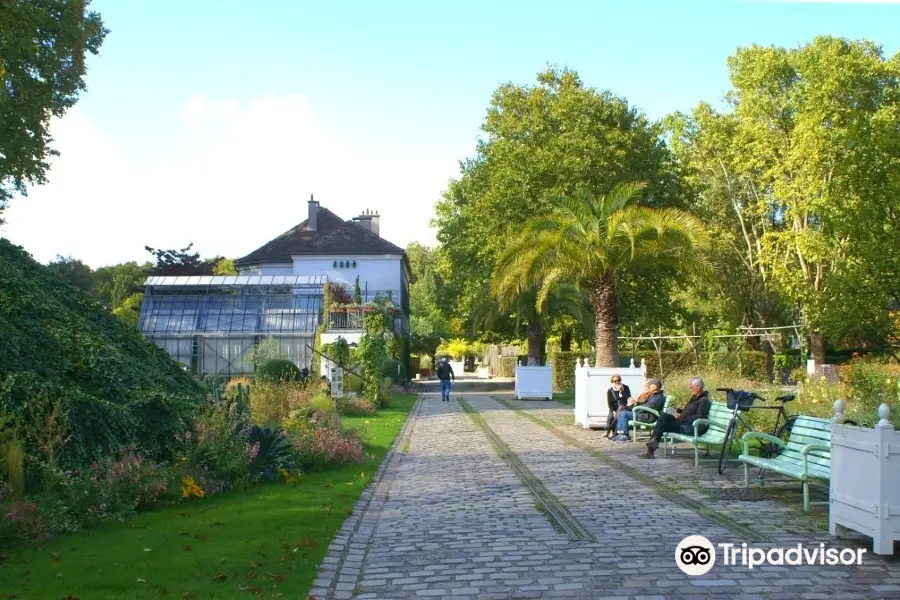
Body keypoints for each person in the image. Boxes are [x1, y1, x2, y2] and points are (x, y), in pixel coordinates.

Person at [639, 376, 710, 459]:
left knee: (662, 421)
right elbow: (690, 411)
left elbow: (699, 416)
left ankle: (651, 449)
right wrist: (679, 411)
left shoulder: (703, 400)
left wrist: (681, 417)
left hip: (689, 427)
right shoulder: (695, 398)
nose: (690, 389)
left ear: (698, 387)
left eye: (691, 387)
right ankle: (652, 444)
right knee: (664, 416)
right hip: (683, 423)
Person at [605, 375, 633, 439]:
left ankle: (611, 429)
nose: (617, 382)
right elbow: (609, 403)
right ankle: (611, 432)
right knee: (611, 416)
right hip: (614, 408)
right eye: (615, 381)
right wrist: (613, 411)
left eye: (619, 380)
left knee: (620, 408)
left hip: (624, 406)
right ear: (613, 381)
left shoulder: (625, 387)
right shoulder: (610, 390)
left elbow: (628, 397)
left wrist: (622, 391)